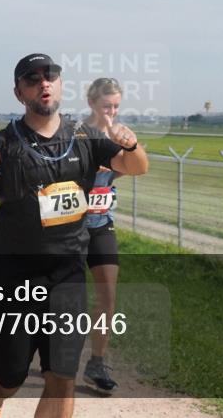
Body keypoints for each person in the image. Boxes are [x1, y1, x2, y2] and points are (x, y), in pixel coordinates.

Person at [0, 54, 148, 418]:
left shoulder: (85, 136)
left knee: (62, 377)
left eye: (51, 76)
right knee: (9, 377)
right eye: (32, 79)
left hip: (67, 273)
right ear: (19, 93)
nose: (43, 83)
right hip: (14, 276)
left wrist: (131, 145)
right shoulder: (4, 142)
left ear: (61, 85)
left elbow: (136, 166)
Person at [81, 78, 125, 394]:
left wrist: (121, 153)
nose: (111, 112)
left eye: (116, 106)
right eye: (106, 106)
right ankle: (48, 349)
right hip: (69, 226)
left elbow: (129, 167)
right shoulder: (75, 133)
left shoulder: (118, 135)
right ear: (92, 103)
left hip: (101, 224)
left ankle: (97, 362)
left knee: (108, 293)